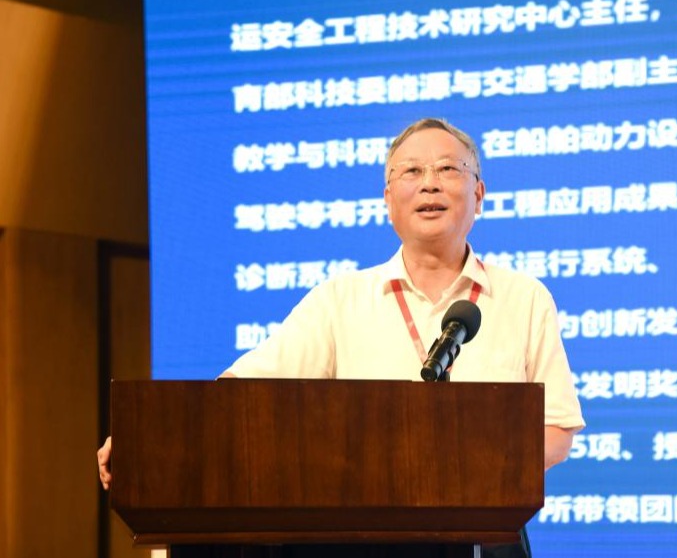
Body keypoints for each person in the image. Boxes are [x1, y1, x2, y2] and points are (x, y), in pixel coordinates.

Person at [98, 117, 585, 556]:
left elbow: (557, 429)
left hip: (487, 538)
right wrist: (151, 443)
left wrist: (468, 476)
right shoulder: (339, 299)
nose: (430, 183)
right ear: (387, 199)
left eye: (448, 169)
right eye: (411, 172)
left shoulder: (522, 298)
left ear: (479, 194)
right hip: (365, 542)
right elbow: (241, 393)